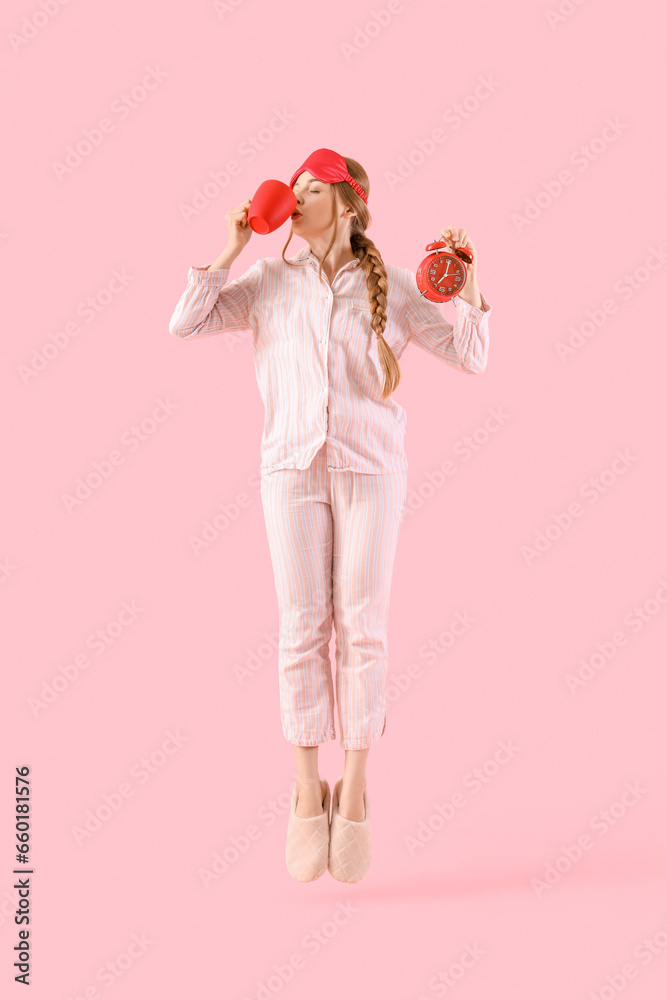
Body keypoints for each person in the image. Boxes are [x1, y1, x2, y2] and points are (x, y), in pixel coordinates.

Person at [169, 148, 492, 883]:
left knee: (363, 627)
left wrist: (469, 283)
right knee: (300, 628)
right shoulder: (267, 281)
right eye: (294, 188)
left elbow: (469, 356)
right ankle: (303, 789)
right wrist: (231, 245)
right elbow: (184, 323)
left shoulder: (396, 288)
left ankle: (355, 788)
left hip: (370, 468)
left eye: (311, 189)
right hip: (288, 468)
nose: (296, 196)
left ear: (345, 204)